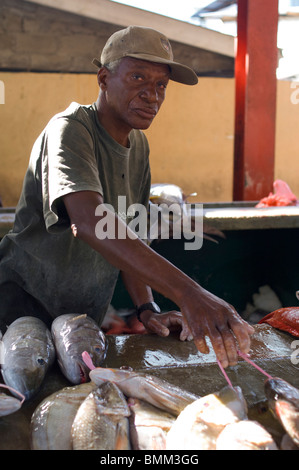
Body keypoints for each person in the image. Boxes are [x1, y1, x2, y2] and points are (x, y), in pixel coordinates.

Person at [0, 26, 254, 368]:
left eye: (161, 85)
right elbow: (90, 221)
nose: (152, 95)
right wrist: (191, 294)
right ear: (104, 78)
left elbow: (129, 232)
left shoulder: (139, 147)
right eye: (138, 77)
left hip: (76, 319)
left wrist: (148, 309)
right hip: (19, 309)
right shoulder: (70, 129)